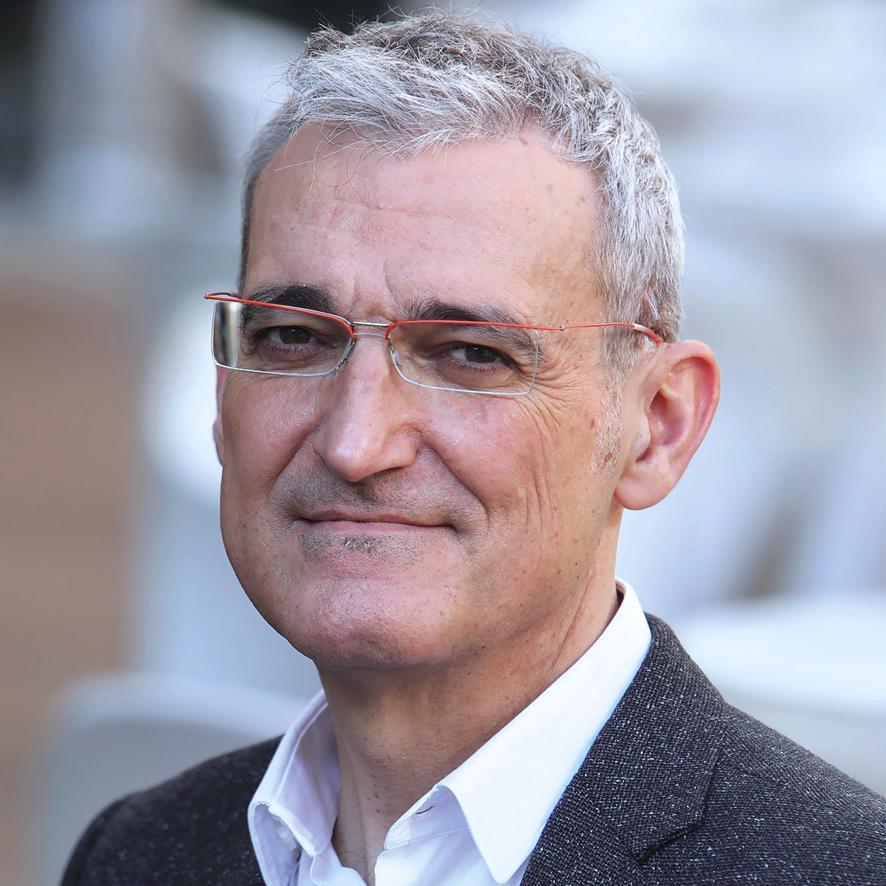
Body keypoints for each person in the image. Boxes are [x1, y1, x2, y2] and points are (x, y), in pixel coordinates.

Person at [62, 12, 885, 886]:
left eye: (469, 355)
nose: (355, 443)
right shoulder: (141, 854)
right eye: (294, 338)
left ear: (658, 424)